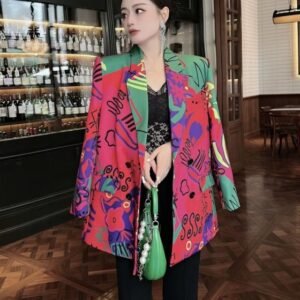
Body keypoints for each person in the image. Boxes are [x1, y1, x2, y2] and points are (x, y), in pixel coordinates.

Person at [70, 0, 240, 299]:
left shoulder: (196, 67)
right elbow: (95, 134)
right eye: (125, 14)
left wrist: (175, 153)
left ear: (163, 15)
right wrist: (84, 197)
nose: (129, 20)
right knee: (133, 289)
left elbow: (210, 129)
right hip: (128, 194)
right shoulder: (109, 69)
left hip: (186, 193)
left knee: (183, 288)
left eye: (139, 10)